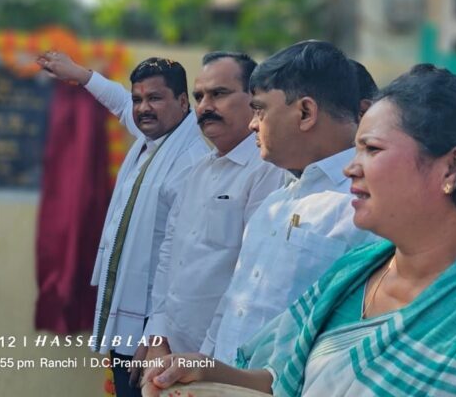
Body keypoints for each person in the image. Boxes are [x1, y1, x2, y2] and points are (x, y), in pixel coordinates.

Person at [142, 64, 456, 397]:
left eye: (372, 149)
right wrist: (206, 370)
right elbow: (282, 380)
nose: (350, 168)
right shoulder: (354, 273)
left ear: (451, 167)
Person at [37, 51, 210, 397]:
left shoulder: (192, 161)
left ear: (182, 102)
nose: (143, 108)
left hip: (157, 328)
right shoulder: (156, 140)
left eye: (155, 98)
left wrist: (157, 334)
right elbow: (118, 102)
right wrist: (80, 74)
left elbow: (182, 261)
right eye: (138, 99)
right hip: (132, 313)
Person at [197, 41, 376, 365]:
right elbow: (235, 303)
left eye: (260, 109)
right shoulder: (276, 203)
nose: (253, 123)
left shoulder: (364, 205)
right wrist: (206, 364)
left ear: (305, 113)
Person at [142, 52, 286, 366]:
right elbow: (169, 254)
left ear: (254, 100)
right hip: (170, 351)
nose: (205, 107)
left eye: (219, 94)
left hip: (219, 361)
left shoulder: (268, 171)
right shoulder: (198, 171)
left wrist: (204, 359)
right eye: (199, 97)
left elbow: (249, 277)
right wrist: (157, 336)